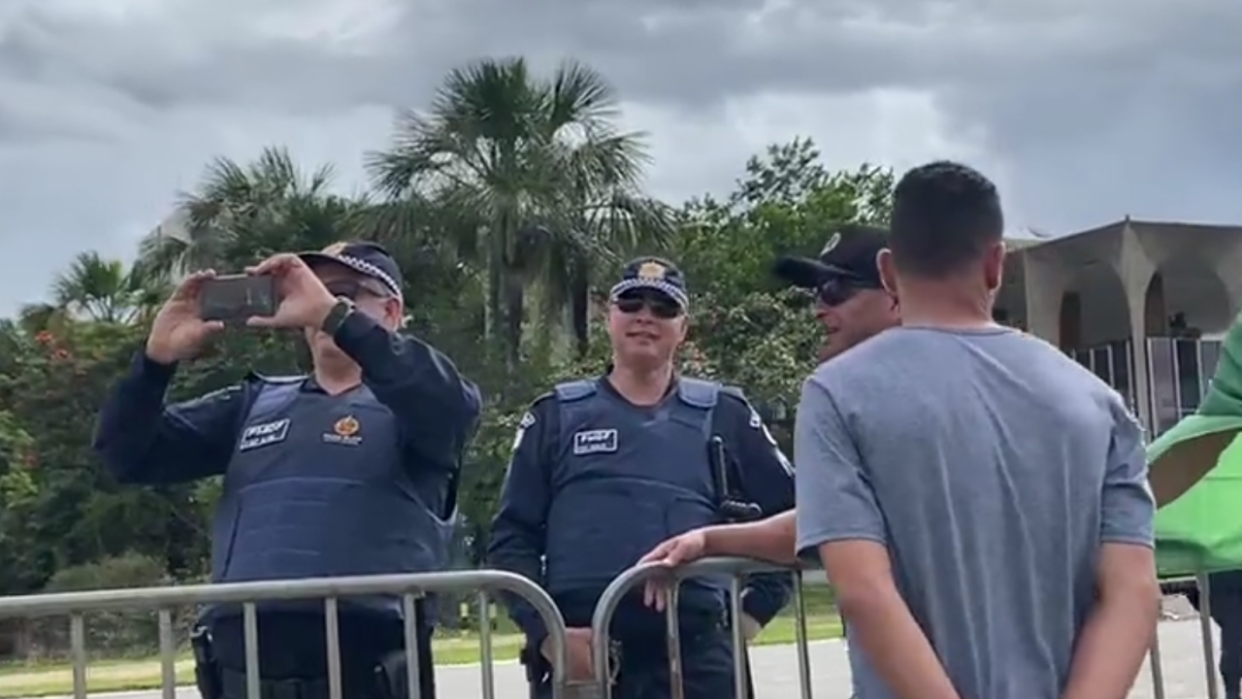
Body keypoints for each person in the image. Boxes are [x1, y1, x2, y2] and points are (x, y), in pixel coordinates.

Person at [795, 161, 1159, 699]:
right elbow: (1133, 591)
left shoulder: (836, 393)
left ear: (889, 270)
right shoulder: (1094, 400)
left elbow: (865, 590)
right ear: (995, 263)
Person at [93, 242, 482, 699]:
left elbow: (451, 406)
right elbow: (125, 454)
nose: (319, 303)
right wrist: (155, 363)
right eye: (311, 291)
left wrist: (338, 319)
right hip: (244, 668)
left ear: (392, 310)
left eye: (342, 292)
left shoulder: (420, 406)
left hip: (367, 666)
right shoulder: (254, 403)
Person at [486, 257, 796, 699]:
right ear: (607, 317)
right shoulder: (554, 415)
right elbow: (511, 539)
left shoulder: (726, 414)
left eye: (663, 308)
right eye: (631, 303)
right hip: (584, 657)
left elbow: (799, 514)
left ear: (683, 328)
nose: (645, 317)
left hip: (699, 657)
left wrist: (750, 616)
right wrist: (547, 635)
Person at [638, 224, 899, 576]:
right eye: (817, 293)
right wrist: (706, 541)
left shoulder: (907, 391)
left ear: (894, 289)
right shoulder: (862, 395)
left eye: (836, 290)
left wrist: (711, 543)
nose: (819, 309)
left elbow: (845, 552)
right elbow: (825, 520)